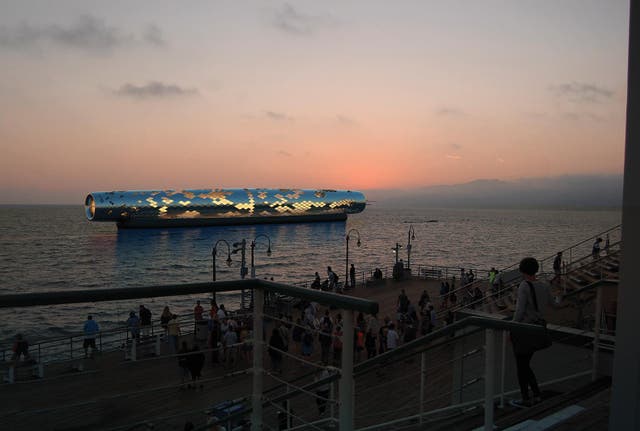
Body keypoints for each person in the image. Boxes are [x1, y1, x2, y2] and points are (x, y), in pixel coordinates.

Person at [511, 257, 552, 408]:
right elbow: (553, 303)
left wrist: (512, 328)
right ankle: (536, 394)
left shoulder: (524, 286)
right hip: (538, 328)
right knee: (525, 364)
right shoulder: (545, 285)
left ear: (522, 270)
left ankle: (526, 398)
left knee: (521, 366)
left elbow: (520, 311)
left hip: (525, 331)